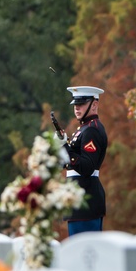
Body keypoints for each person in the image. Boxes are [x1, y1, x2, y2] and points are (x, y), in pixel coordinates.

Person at [54, 86, 108, 236]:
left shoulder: (92, 130)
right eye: (75, 105)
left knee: (84, 254)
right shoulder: (83, 129)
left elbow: (86, 167)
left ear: (94, 104)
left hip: (86, 199)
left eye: (82, 104)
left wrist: (65, 147)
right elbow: (72, 163)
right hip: (79, 200)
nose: (77, 108)